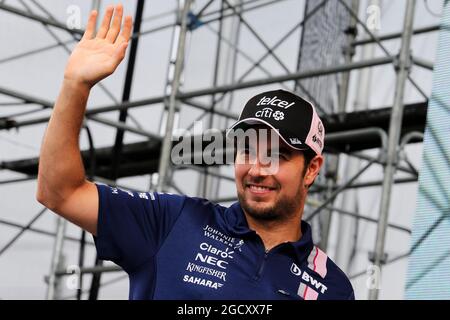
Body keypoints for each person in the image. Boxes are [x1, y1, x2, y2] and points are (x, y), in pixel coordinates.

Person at [37, 4, 354, 300]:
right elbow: (59, 192)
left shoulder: (333, 287)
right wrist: (75, 86)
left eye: (278, 156)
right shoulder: (174, 220)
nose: (258, 169)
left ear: (312, 168)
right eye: (247, 151)